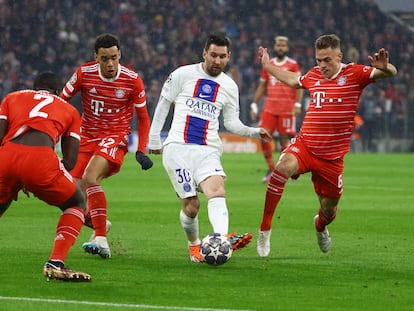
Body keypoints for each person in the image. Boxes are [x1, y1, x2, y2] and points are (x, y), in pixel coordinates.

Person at [256, 34, 397, 257]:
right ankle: (264, 231)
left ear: (339, 56)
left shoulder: (354, 73)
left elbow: (389, 73)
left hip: (332, 158)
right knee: (281, 168)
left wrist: (386, 67)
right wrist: (267, 66)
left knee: (328, 209)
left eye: (327, 60)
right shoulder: (313, 75)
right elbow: (294, 80)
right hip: (305, 146)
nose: (322, 65)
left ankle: (320, 226)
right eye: (319, 60)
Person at [148, 33, 272, 263]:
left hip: (207, 150)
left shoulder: (229, 86)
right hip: (178, 149)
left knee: (217, 190)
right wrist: (154, 138)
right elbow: (164, 103)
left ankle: (221, 240)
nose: (217, 60)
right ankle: (194, 245)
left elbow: (231, 123)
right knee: (192, 206)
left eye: (222, 56)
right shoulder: (183, 74)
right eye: (213, 55)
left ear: (229, 57)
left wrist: (254, 132)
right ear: (204, 53)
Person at [60, 33, 153, 259]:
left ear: (120, 55)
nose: (110, 64)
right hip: (86, 138)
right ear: (96, 57)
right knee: (68, 197)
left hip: (115, 138)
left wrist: (141, 148)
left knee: (91, 177)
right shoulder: (83, 74)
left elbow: (142, 117)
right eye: (104, 59)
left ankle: (101, 240)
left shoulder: (132, 80)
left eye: (113, 57)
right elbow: (60, 101)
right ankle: (100, 224)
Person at [0, 72, 91, 281]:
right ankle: (56, 262)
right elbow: (70, 161)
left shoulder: (12, 97)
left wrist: (17, 174)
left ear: (34, 88)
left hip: (6, 156)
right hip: (41, 158)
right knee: (76, 203)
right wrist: (34, 176)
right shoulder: (69, 109)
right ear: (58, 92)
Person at [250, 36, 304, 183]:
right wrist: (254, 104)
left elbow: (299, 85)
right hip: (270, 107)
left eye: (283, 46)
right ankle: (271, 168)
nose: (281, 48)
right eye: (278, 45)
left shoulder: (293, 65)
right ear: (275, 47)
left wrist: (298, 104)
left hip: (287, 108)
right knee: (263, 136)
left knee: (284, 140)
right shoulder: (269, 64)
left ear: (287, 48)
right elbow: (262, 86)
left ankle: (282, 170)